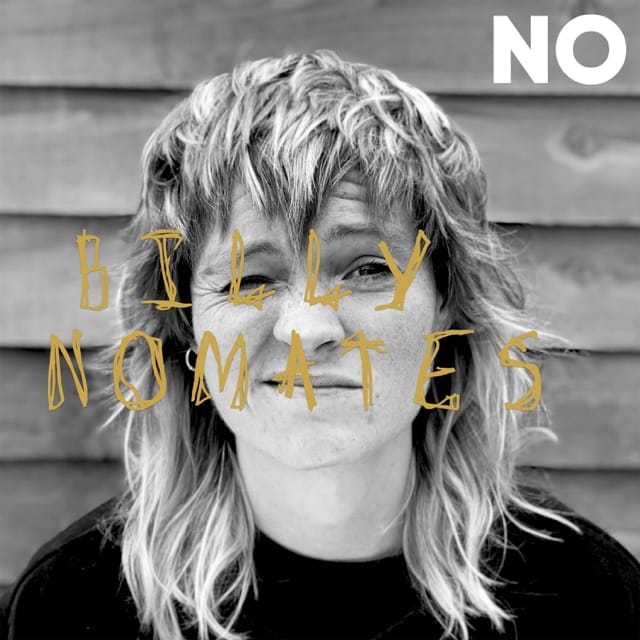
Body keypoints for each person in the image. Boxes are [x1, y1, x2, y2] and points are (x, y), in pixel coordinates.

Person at [1, 50, 639, 640]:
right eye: (251, 279)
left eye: (366, 269)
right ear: (185, 322)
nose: (307, 329)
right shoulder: (72, 608)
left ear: (448, 303)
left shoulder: (587, 601)